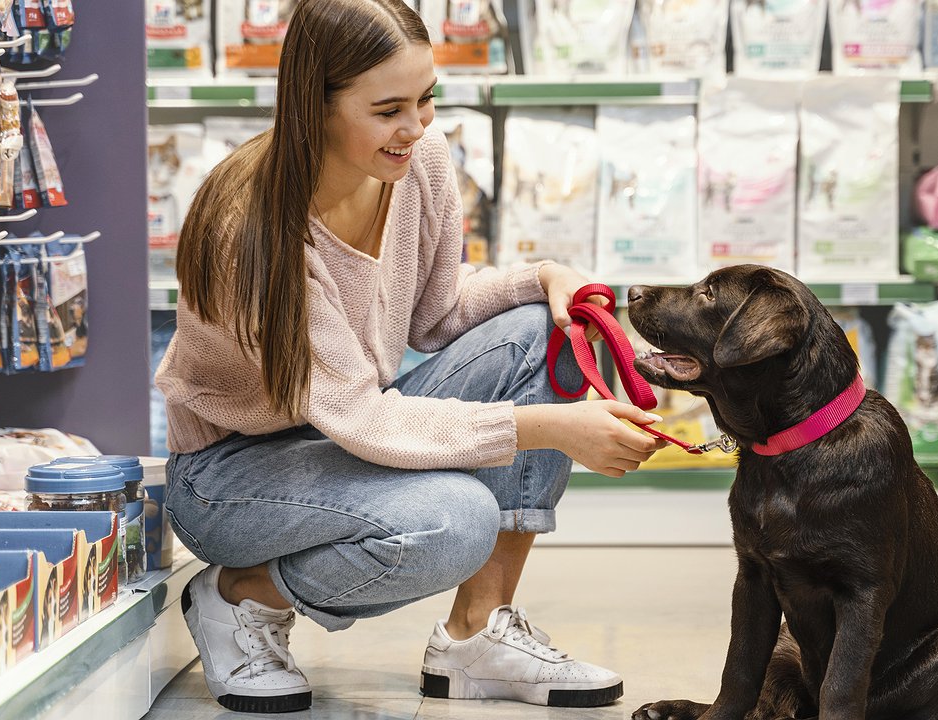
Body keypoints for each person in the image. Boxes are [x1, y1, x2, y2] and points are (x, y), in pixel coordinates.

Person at [154, 0, 667, 713]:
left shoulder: (416, 160)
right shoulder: (251, 233)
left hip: (342, 430)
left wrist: (547, 278)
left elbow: (435, 315)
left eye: (426, 98)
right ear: (314, 105)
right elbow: (362, 417)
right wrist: (550, 429)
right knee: (455, 521)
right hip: (230, 478)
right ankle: (241, 594)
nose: (417, 126)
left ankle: (475, 636)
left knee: (545, 331)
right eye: (388, 109)